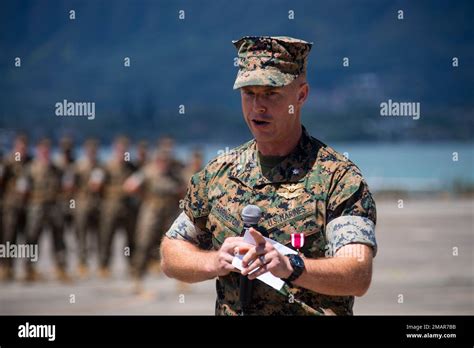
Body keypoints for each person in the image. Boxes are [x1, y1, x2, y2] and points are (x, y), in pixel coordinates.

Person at [161, 36, 377, 315]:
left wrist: (293, 266)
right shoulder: (218, 175)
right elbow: (171, 254)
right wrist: (215, 261)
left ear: (301, 95)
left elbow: (358, 274)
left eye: (271, 93)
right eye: (249, 93)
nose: (257, 107)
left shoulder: (337, 178)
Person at [124, 147, 183, 293]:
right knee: (144, 242)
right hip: (151, 210)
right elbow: (129, 186)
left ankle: (181, 279)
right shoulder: (147, 171)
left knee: (175, 244)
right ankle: (137, 278)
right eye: (161, 160)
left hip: (169, 211)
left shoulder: (174, 174)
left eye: (166, 161)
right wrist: (144, 196)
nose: (164, 163)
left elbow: (184, 189)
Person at [24, 138, 70, 282]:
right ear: (37, 151)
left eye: (47, 150)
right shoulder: (30, 168)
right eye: (42, 150)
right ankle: (29, 269)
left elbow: (66, 186)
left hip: (54, 206)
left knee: (58, 238)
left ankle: (61, 268)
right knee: (32, 238)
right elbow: (23, 189)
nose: (45, 152)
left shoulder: (56, 168)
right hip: (36, 206)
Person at [99, 136, 138, 277]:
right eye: (120, 149)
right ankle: (104, 265)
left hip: (127, 208)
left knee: (130, 238)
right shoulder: (107, 166)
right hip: (110, 207)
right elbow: (97, 186)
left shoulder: (132, 166)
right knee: (107, 237)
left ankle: (132, 265)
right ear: (115, 149)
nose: (123, 152)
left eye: (125, 149)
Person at [0, 134, 31, 281]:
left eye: (24, 147)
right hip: (10, 206)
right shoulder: (7, 162)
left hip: (27, 206)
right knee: (8, 238)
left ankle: (28, 268)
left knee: (28, 238)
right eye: (19, 147)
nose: (22, 150)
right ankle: (6, 267)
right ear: (15, 147)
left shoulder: (30, 162)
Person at [74, 138, 104, 278]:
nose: (92, 152)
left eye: (94, 149)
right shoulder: (79, 166)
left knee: (99, 236)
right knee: (81, 235)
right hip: (82, 204)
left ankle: (101, 264)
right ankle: (82, 263)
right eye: (90, 149)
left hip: (97, 205)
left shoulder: (100, 166)